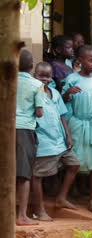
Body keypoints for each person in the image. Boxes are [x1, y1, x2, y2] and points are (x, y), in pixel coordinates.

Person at [31, 62, 80, 221]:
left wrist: (68, 135)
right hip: (44, 141)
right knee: (38, 176)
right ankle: (39, 210)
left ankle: (61, 197)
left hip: (59, 140)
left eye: (48, 76)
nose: (45, 79)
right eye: (41, 76)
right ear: (34, 75)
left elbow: (62, 116)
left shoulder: (55, 93)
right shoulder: (32, 93)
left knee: (74, 164)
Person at [62, 45, 92, 215]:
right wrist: (67, 93)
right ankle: (65, 196)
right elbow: (63, 102)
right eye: (91, 60)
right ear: (80, 62)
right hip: (78, 124)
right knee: (74, 163)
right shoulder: (72, 79)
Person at [16, 49, 44, 226]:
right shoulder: (36, 85)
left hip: (6, 128)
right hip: (25, 130)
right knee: (24, 174)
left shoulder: (6, 80)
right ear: (32, 66)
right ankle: (22, 216)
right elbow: (39, 112)